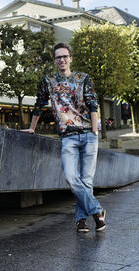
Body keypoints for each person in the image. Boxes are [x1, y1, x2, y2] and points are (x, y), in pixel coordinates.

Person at [23, 42, 106, 233]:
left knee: (86, 181)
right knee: (71, 177)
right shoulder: (48, 81)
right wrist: (32, 128)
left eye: (64, 56)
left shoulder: (83, 78)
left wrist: (95, 131)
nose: (61, 60)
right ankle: (97, 211)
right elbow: (39, 104)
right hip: (68, 136)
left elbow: (93, 104)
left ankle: (81, 220)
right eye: (58, 57)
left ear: (70, 58)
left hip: (88, 134)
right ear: (54, 61)